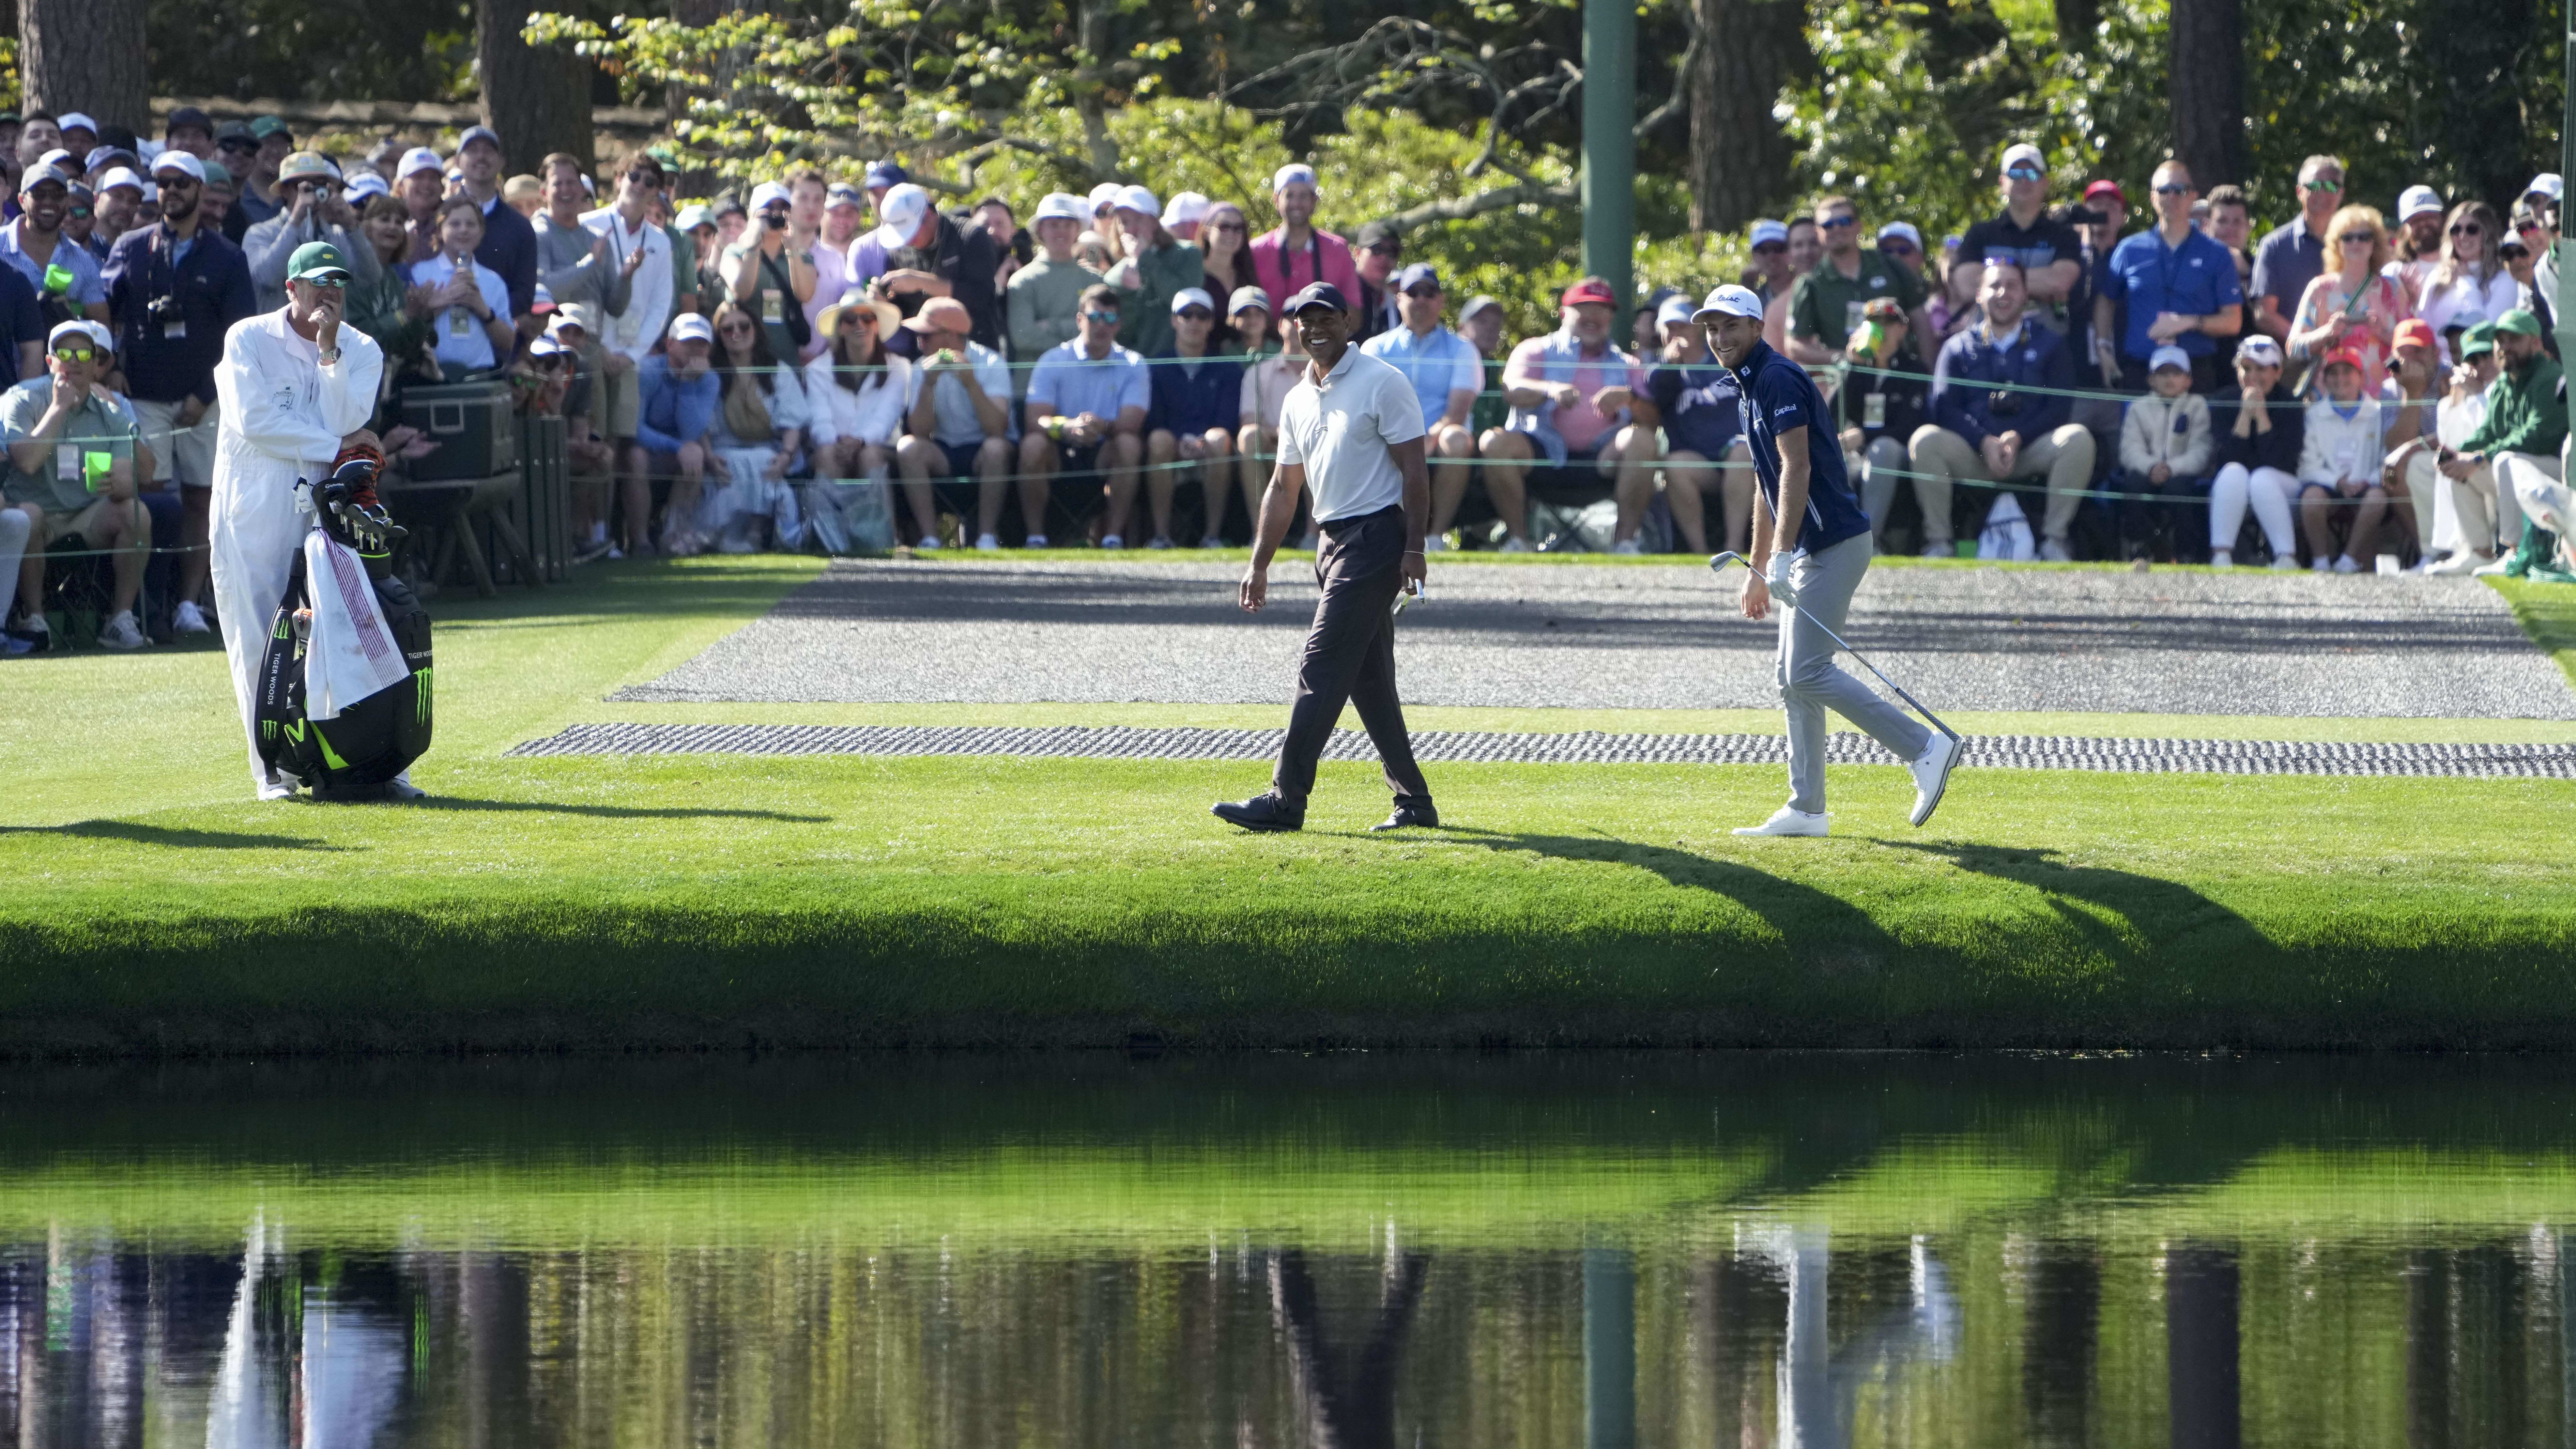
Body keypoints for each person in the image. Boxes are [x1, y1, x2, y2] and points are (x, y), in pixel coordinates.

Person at [1698, 283, 1955, 837]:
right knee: (1791, 680)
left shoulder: (1777, 377)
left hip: (1834, 544)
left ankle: (1924, 747)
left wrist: (1785, 555)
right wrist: (1761, 567)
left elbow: (1797, 469)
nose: (1719, 338)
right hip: (1809, 548)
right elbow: (1767, 483)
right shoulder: (1747, 387)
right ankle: (1807, 808)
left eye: (1730, 327)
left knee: (1807, 671)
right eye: (1712, 328)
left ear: (1755, 327)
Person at [1213, 281, 1434, 835]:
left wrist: (1414, 548)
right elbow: (1284, 489)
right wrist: (1259, 563)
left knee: (1319, 665)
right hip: (1330, 545)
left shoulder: (1383, 381)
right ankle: (1414, 801)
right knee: (1369, 681)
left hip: (1378, 539)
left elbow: (1415, 471)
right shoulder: (1295, 398)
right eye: (1302, 320)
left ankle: (1286, 799)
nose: (1313, 329)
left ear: (1348, 320)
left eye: (1324, 318)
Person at [208, 241, 391, 797]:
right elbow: (254, 420)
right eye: (317, 283)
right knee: (260, 637)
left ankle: (370, 762)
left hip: (326, 503)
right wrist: (338, 441)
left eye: (337, 282)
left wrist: (329, 351)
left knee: (347, 624)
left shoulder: (361, 348)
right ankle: (271, 772)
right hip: (253, 506)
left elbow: (348, 415)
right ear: (292, 288)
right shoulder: (247, 338)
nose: (328, 292)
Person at [104, 149, 254, 638]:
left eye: (181, 183)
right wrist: (111, 369)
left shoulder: (229, 256)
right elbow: (103, 316)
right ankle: (147, 601)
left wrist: (206, 393)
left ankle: (189, 603)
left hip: (205, 401)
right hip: (144, 395)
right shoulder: (130, 246)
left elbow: (242, 337)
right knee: (147, 501)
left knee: (201, 501)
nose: (171, 191)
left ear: (199, 189)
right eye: (163, 183)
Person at [1909, 258, 2092, 559]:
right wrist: (1983, 440)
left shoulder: (2051, 344)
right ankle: (1939, 542)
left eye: (2012, 286)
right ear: (1979, 294)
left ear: (2025, 295)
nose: (2003, 293)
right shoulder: (1957, 347)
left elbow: (2060, 408)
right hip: (1973, 452)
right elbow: (1944, 409)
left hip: (2029, 451)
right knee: (1926, 439)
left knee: (2078, 438)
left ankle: (2054, 541)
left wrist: (2018, 437)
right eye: (1995, 286)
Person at [4, 320, 153, 651]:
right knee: (28, 515)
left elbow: (140, 473)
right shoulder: (23, 398)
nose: (74, 361)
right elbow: (26, 461)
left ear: (95, 363)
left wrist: (120, 481)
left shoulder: (109, 408)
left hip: (86, 515)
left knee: (136, 512)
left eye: (85, 353)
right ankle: (34, 619)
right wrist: (58, 407)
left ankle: (119, 619)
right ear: (50, 361)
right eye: (65, 353)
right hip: (34, 512)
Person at [1480, 277, 1657, 552]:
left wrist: (1630, 400)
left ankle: (1625, 544)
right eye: (1584, 308)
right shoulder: (1535, 349)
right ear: (1564, 314)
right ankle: (1518, 541)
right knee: (1494, 442)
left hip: (1602, 461)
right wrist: (1550, 389)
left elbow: (1654, 419)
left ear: (1611, 317)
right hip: (1541, 456)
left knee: (1643, 440)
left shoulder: (1628, 363)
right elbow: (1511, 390)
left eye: (1602, 309)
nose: (1593, 316)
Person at [582, 154, 675, 556]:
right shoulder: (591, 226)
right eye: (634, 176)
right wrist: (597, 346)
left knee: (620, 444)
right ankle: (596, 534)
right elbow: (585, 291)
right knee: (594, 441)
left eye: (650, 181)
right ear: (619, 178)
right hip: (594, 347)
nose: (640, 185)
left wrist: (633, 353)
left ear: (659, 191)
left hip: (630, 355)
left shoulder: (660, 240)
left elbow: (661, 304)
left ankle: (617, 537)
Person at [2093, 160, 2242, 394]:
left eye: (2180, 190)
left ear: (2193, 196)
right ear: (2153, 197)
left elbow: (2233, 322)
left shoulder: (2217, 254)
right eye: (2164, 190)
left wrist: (2189, 322)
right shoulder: (2129, 249)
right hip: (2141, 371)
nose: (2172, 197)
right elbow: (2106, 301)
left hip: (2195, 373)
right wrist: (2104, 350)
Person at [2433, 308, 2564, 575]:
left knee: (2503, 460)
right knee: (2461, 469)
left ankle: (2515, 552)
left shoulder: (2550, 376)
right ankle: (2480, 552)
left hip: (2558, 474)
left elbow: (2537, 437)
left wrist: (2481, 457)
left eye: (2514, 340)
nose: (2505, 347)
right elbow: (2489, 432)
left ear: (2536, 343)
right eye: (2500, 340)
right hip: (2523, 471)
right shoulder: (2505, 382)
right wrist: (2461, 453)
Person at [1358, 263, 1480, 549]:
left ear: (1441, 300)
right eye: (1413, 292)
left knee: (1457, 438)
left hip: (1440, 438)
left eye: (1430, 292)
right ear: (1399, 299)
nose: (1421, 299)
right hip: (1389, 436)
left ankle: (1435, 537)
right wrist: (1404, 441)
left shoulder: (1462, 349)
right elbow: (1368, 404)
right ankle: (1375, 534)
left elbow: (1458, 412)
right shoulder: (1375, 348)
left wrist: (1427, 439)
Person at [1020, 282, 1150, 546]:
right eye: (1094, 317)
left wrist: (1101, 426)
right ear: (1080, 320)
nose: (1102, 325)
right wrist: (1066, 427)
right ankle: (1035, 537)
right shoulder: (1053, 360)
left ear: (1119, 324)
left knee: (1129, 444)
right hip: (1059, 447)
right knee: (1032, 445)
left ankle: (1112, 538)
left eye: (1110, 318)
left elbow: (1132, 422)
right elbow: (1035, 419)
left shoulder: (1134, 364)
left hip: (1105, 449)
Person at [894, 295, 1016, 549]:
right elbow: (920, 431)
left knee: (996, 448)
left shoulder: (991, 362)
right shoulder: (920, 368)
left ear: (950, 335)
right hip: (944, 451)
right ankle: (929, 538)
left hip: (982, 450)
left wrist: (972, 385)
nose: (919, 340)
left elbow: (997, 428)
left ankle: (986, 537)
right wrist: (928, 385)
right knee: (908, 447)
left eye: (926, 335)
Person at [698, 299, 807, 553]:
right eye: (727, 329)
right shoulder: (711, 374)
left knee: (763, 460)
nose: (736, 333)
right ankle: (727, 532)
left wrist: (787, 456)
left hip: (771, 449)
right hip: (721, 451)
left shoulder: (777, 371)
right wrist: (710, 458)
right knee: (737, 463)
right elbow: (701, 424)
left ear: (755, 329)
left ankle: (756, 532)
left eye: (744, 326)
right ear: (719, 337)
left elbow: (793, 423)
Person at [1142, 287, 1243, 547]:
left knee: (1219, 438)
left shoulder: (1228, 369)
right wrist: (1179, 440)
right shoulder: (1155, 366)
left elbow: (1228, 420)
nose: (1194, 322)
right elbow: (1155, 418)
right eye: (1187, 315)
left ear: (1211, 323)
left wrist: (1198, 441)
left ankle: (1212, 536)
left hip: (1210, 446)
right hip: (1170, 446)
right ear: (1175, 320)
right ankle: (1162, 536)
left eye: (1202, 315)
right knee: (1159, 439)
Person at [1646, 299, 1748, 557]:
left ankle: (1734, 548)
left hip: (1737, 454)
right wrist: (1671, 365)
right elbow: (1658, 393)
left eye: (1684, 325)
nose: (1678, 332)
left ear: (1700, 329)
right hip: (1698, 461)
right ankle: (1700, 553)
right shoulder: (1660, 371)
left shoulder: (1728, 360)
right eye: (1670, 327)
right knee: (1675, 465)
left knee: (1743, 450)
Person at [801, 290, 908, 532]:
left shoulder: (899, 368)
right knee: (827, 454)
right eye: (850, 319)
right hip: (834, 446)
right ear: (841, 329)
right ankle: (827, 536)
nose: (860, 324)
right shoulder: (818, 370)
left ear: (877, 325)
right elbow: (820, 418)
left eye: (867, 318)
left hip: (881, 448)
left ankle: (881, 536)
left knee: (869, 456)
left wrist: (860, 441)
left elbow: (887, 417)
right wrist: (837, 443)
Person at [1788, 195, 1933, 367]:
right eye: (1828, 225)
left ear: (1859, 225)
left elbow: (1921, 321)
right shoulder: (1811, 283)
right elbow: (1795, 346)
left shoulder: (1890, 266)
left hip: (1898, 376)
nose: (1837, 229)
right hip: (1848, 380)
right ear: (1817, 232)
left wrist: (1930, 375)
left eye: (1844, 221)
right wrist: (1845, 358)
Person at [1837, 294, 1933, 551]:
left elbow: (1909, 427)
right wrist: (1850, 368)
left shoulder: (1915, 370)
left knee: (1883, 449)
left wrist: (1864, 436)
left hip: (1897, 453)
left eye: (1887, 323)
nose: (1879, 329)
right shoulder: (1857, 368)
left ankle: (1868, 542)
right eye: (1872, 323)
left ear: (1902, 329)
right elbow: (1829, 414)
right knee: (1829, 456)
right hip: (1857, 454)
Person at [862, 181, 1003, 350]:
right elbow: (904, 310)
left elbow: (981, 297)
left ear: (928, 215)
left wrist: (922, 282)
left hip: (976, 349)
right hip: (925, 353)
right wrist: (884, 302)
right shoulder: (899, 251)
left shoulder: (971, 237)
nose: (907, 241)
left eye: (909, 232)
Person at [1954, 143, 2086, 317]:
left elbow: (2060, 282)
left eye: (2032, 174)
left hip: (2049, 342)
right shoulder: (1980, 234)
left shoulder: (2065, 236)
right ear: (2003, 183)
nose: (2024, 180)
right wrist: (2042, 285)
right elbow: (1966, 286)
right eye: (2015, 174)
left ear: (2045, 183)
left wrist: (1991, 282)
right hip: (1990, 341)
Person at [2205, 334, 2304, 567]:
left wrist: (2260, 416)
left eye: (2262, 369)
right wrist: (2244, 415)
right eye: (2246, 369)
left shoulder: (2290, 403)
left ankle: (2286, 557)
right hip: (2234, 491)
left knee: (2262, 478)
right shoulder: (2223, 400)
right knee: (2233, 472)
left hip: (2282, 490)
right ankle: (2221, 556)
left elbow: (2281, 461)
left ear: (2278, 372)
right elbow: (2225, 459)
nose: (2253, 377)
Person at [2288, 205, 2410, 393]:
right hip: (2330, 400)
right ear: (2337, 245)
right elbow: (2294, 349)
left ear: (2375, 244)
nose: (2356, 243)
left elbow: (2414, 346)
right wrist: (2328, 332)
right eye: (2348, 238)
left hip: (2383, 400)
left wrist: (2382, 332)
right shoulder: (2320, 289)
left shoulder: (2392, 289)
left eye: (2364, 237)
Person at [242, 151, 376, 317]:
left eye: (319, 184)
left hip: (328, 338)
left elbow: (371, 277)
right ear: (284, 190)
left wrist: (351, 226)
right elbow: (267, 278)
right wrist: (296, 220)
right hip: (280, 339)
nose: (311, 193)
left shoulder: (337, 235)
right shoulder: (260, 233)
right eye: (303, 187)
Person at [2292, 349, 2391, 572]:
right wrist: (2337, 481)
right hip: (2330, 486)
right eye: (2333, 373)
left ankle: (2348, 560)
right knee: (2311, 497)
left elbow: (2387, 460)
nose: (2340, 379)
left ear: (2362, 378)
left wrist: (2368, 481)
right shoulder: (2314, 414)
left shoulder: (2379, 412)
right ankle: (2321, 562)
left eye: (2348, 372)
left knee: (2378, 498)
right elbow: (2307, 466)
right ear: (2325, 380)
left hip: (2367, 485)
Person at [533, 153, 634, 372]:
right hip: (553, 353)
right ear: (544, 193)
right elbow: (546, 288)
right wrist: (589, 263)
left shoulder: (597, 239)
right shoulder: (539, 235)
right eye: (557, 184)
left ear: (582, 190)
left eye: (571, 183)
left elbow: (615, 307)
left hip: (593, 349)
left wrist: (627, 277)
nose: (565, 190)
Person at [631, 311, 721, 555]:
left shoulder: (709, 380)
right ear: (670, 344)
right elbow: (634, 429)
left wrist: (688, 383)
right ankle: (640, 541)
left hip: (677, 452)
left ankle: (673, 535)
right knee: (636, 456)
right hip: (647, 450)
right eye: (687, 342)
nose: (695, 350)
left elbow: (691, 431)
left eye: (701, 344)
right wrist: (677, 446)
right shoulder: (648, 371)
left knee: (695, 454)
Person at [2114, 345, 2213, 560]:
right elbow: (2129, 450)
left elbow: (2202, 450)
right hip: (2147, 469)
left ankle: (2185, 553)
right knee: (2133, 484)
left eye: (2177, 373)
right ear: (2151, 380)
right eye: (2163, 373)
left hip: (2182, 472)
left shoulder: (2198, 406)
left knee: (2179, 489)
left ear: (2188, 380)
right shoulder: (2138, 408)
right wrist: (2151, 467)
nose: (2170, 378)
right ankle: (2138, 545)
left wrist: (2171, 468)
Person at [1005, 192, 1100, 392]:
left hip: (1086, 387)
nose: (1062, 232)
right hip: (1034, 389)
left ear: (1077, 229)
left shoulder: (1095, 281)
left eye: (1068, 225)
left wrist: (1051, 325)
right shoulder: (1023, 280)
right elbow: (1024, 338)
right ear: (1040, 230)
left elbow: (1102, 330)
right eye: (1054, 225)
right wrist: (1080, 335)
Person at [409, 197, 515, 376]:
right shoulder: (421, 273)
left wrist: (483, 310)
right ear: (440, 230)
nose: (464, 230)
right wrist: (444, 300)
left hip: (480, 374)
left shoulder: (493, 281)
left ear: (482, 232)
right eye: (455, 224)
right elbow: (409, 331)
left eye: (471, 224)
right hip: (432, 374)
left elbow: (510, 343)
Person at [2251, 155, 2346, 351]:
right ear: (2299, 192)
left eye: (2331, 186)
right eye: (2313, 186)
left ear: (2341, 193)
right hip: (2296, 361)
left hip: (2352, 359)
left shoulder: (2357, 241)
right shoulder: (2275, 245)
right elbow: (2265, 315)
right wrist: (2310, 342)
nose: (2322, 192)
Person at [449, 126, 537, 329]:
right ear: (458, 162)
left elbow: (524, 294)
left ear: (501, 162)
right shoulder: (442, 219)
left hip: (499, 337)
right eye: (472, 150)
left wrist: (486, 312)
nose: (481, 157)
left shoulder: (520, 227)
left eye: (489, 151)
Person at [1236, 289, 1305, 545]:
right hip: (1273, 446)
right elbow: (1250, 420)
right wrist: (1284, 434)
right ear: (1279, 325)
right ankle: (1261, 533)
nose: (1298, 323)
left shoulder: (1328, 373)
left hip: (1312, 447)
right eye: (1291, 317)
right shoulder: (1257, 372)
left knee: (1315, 443)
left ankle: (1315, 535)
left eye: (1305, 317)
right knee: (1250, 436)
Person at [1248, 164, 1360, 314]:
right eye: (1289, 195)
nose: (1296, 204)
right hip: (1269, 337)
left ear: (1314, 201)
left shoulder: (1337, 250)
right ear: (1276, 200)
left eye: (1303, 196)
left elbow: (1354, 313)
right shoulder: (1256, 251)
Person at [4, 167, 108, 324]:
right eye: (39, 194)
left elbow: (101, 330)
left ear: (67, 202)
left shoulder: (82, 260)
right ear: (22, 201)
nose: (48, 201)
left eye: (57, 195)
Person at [2414, 201, 2513, 361]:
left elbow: (2487, 332)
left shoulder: (2504, 279)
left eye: (2472, 230)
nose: (2462, 236)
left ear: (2487, 234)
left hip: (2481, 366)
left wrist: (2468, 283)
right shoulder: (2437, 276)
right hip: (2439, 371)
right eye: (2456, 230)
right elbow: (2424, 328)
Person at [1109, 186, 1200, 357]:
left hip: (1177, 364)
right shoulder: (1114, 277)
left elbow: (1185, 302)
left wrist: (1145, 258)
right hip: (1134, 367)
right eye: (1125, 222)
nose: (1132, 229)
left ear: (1154, 222)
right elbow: (1120, 331)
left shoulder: (1187, 254)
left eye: (1139, 220)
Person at [1349, 220, 1404, 341]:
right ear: (1357, 253)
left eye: (1392, 253)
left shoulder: (1393, 305)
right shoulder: (1342, 296)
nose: (1384, 258)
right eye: (1377, 251)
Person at [2387, 185, 2446, 296]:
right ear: (2404, 229)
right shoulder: (2394, 273)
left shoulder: (2463, 268)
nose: (2424, 223)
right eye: (2416, 220)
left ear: (2444, 220)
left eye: (2430, 217)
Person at [1200, 201, 1258, 308]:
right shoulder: (1195, 274)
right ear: (1206, 233)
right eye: (1224, 227)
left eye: (1238, 228)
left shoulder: (1247, 275)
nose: (1231, 234)